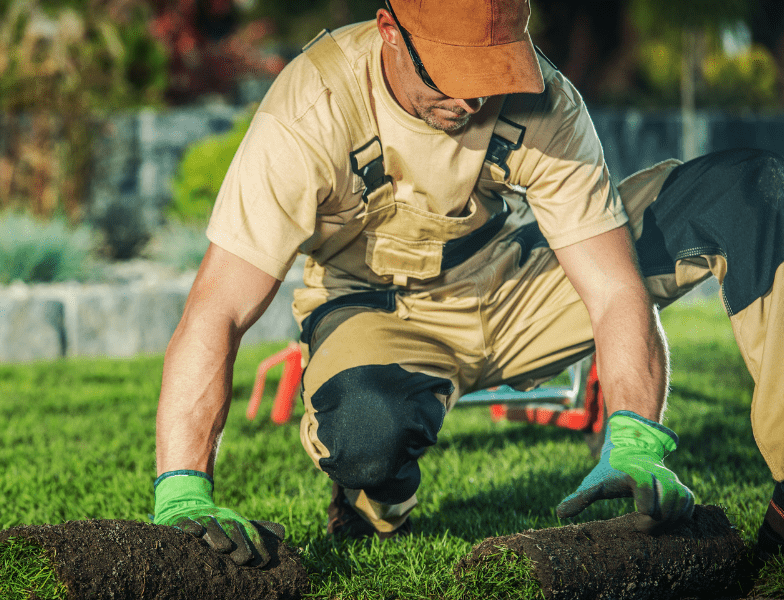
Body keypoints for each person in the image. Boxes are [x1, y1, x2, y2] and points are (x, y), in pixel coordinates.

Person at [150, 0, 784, 568]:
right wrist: (182, 486)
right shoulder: (313, 105)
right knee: (369, 434)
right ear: (389, 31)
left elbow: (614, 290)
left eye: (492, 76)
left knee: (748, 191)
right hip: (377, 309)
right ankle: (375, 499)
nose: (472, 102)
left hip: (513, 282)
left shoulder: (548, 101)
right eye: (449, 76)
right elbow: (220, 308)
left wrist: (635, 440)